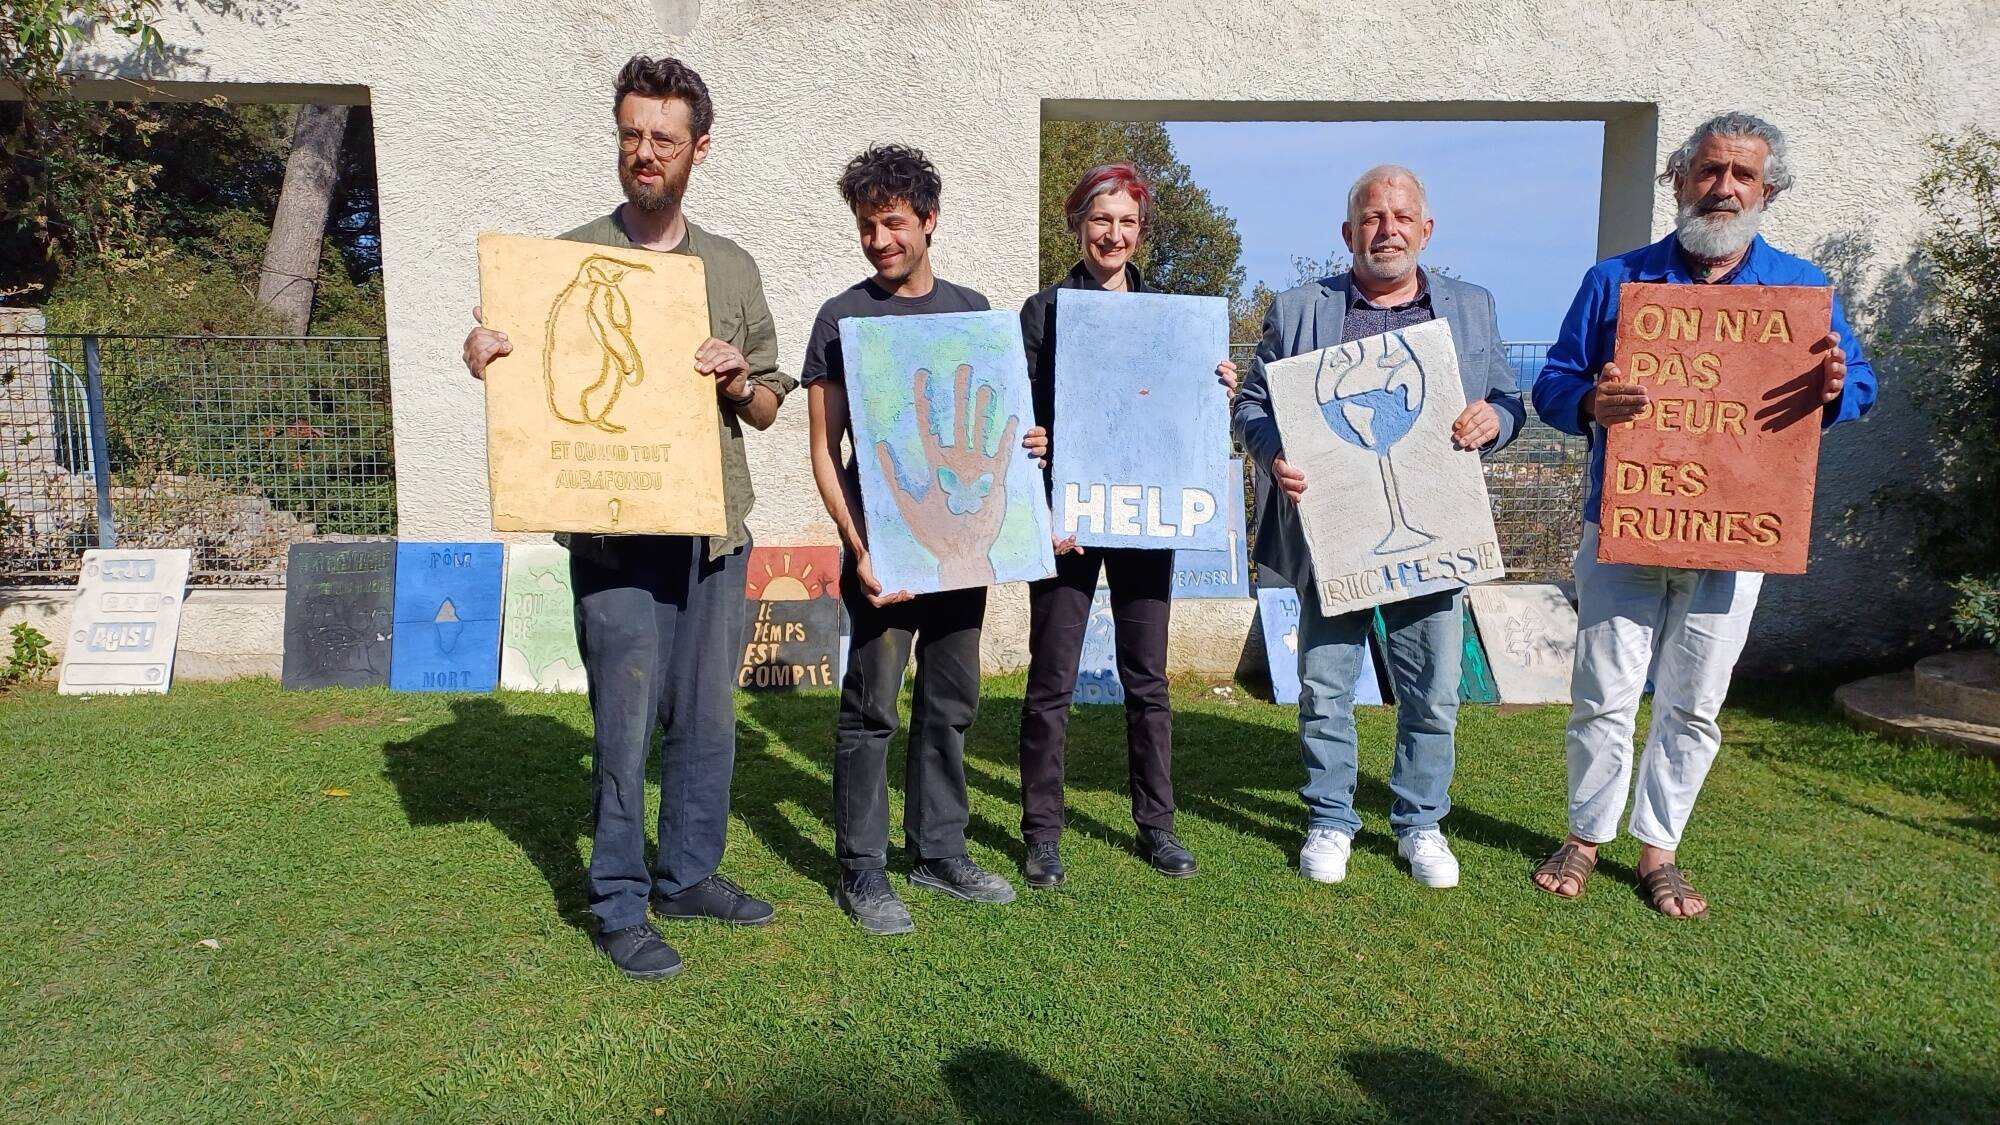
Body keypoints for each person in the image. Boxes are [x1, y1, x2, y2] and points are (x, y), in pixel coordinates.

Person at [461, 56, 793, 981]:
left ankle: (688, 875)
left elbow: (768, 405)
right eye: (632, 135)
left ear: (699, 150)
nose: (645, 153)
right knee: (623, 723)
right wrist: (484, 351)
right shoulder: (561, 258)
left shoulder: (730, 267)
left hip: (711, 533)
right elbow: (514, 371)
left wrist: (739, 379)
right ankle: (618, 901)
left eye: (664, 138)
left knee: (708, 722)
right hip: (612, 537)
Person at [1529, 112, 1875, 918]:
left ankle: (1660, 849)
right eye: (1709, 171)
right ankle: (1584, 836)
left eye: (1742, 176)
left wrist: (1834, 388)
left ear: (1768, 191)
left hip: (1736, 529)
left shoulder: (1800, 291)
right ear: (1677, 181)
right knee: (1602, 691)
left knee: (1694, 698)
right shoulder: (1616, 281)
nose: (1724, 188)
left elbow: (1859, 385)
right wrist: (1590, 400)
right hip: (1624, 518)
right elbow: (1551, 383)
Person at [1232, 164, 1525, 889]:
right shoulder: (1300, 307)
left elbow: (1511, 400)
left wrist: (1497, 421)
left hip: (1435, 530)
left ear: (1426, 231)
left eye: (1401, 217)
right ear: (1348, 233)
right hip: (1331, 534)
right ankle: (1330, 817)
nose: (1386, 229)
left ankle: (1420, 822)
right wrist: (1275, 453)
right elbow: (1251, 403)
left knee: (1434, 689)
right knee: (1327, 686)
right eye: (1372, 217)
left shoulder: (1473, 308)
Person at [802, 144, 1047, 934]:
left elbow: (1003, 433)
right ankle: (862, 870)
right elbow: (823, 448)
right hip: (886, 553)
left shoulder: (973, 310)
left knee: (951, 699)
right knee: (872, 706)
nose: (878, 240)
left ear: (929, 221)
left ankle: (940, 851)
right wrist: (858, 545)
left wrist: (1031, 448)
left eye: (893, 222)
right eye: (867, 225)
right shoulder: (840, 318)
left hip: (960, 548)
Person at [1013, 163, 1236, 887]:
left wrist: (1216, 388)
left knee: (1148, 679)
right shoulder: (1044, 311)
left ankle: (1158, 825)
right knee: (1051, 678)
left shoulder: (1171, 317)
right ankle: (1042, 833)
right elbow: (1020, 410)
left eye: (1128, 224)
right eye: (1101, 221)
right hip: (1067, 518)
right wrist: (1034, 440)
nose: (1114, 235)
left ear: (1141, 233)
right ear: (1079, 225)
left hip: (1145, 511)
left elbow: (1177, 415)